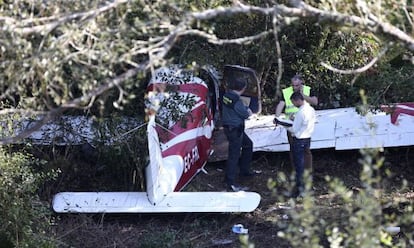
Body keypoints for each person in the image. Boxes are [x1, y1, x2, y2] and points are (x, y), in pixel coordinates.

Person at [275, 75, 318, 172]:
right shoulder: (286, 92)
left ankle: (307, 170)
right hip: (291, 123)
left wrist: (303, 96)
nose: (295, 88)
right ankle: (296, 170)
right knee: (293, 148)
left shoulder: (308, 90)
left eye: (297, 85)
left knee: (306, 150)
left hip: (304, 125)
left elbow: (315, 102)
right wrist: (277, 118)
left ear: (301, 83)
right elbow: (281, 105)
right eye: (293, 85)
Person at [221, 78, 254, 192]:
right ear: (243, 88)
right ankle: (230, 183)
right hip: (235, 130)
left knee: (248, 145)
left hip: (230, 127)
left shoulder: (227, 95)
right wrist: (248, 112)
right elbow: (245, 114)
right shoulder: (236, 100)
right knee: (234, 155)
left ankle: (244, 171)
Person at [287, 92, 316, 197]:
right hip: (307, 138)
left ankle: (300, 190)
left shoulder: (300, 112)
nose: (294, 105)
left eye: (293, 102)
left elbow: (294, 129)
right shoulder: (311, 110)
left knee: (299, 166)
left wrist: (284, 125)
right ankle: (308, 186)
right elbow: (305, 123)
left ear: (297, 100)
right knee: (305, 165)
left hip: (299, 140)